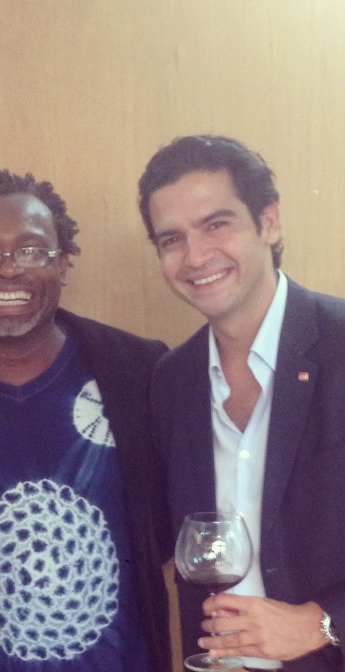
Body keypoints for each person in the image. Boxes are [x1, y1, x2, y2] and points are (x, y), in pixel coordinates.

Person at [0, 169, 172, 671]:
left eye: (32, 250)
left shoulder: (140, 372)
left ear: (62, 264)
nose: (7, 269)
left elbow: (185, 518)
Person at [138, 134, 345, 672]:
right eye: (171, 239)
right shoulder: (171, 380)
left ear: (268, 222)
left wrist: (322, 623)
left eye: (216, 224)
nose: (195, 257)